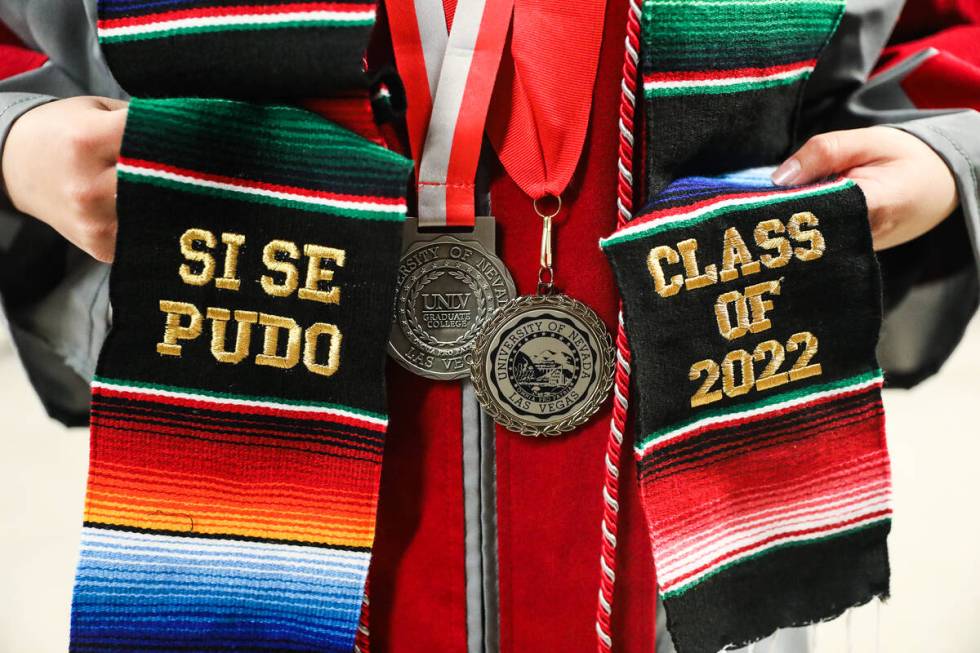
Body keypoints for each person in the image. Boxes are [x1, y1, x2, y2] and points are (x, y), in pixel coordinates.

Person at [0, 0, 976, 651]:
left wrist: (939, 151)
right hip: (281, 446)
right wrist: (18, 136)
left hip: (672, 471)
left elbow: (941, 36)